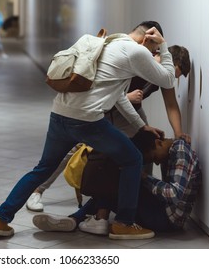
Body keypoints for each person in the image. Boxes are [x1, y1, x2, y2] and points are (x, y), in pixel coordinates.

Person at [0, 21, 175, 239]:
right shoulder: (136, 51)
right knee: (132, 159)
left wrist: (141, 126)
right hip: (87, 120)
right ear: (147, 39)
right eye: (154, 50)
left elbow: (119, 97)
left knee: (43, 168)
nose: (152, 55)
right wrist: (165, 46)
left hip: (60, 113)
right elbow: (168, 78)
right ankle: (124, 223)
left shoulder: (108, 42)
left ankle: (0, 218)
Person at [26, 44, 191, 212]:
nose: (169, 79)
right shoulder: (139, 60)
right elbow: (106, 86)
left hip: (130, 111)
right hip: (103, 106)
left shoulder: (165, 74)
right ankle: (37, 190)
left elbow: (171, 104)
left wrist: (178, 134)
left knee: (145, 144)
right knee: (74, 148)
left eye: (173, 76)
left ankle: (137, 196)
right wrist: (127, 97)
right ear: (161, 57)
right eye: (171, 72)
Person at [32, 130, 202, 238]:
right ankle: (79, 219)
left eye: (153, 158)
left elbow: (174, 194)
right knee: (119, 182)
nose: (156, 163)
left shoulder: (179, 149)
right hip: (162, 211)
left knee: (120, 182)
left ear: (158, 143)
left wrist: (143, 178)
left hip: (167, 220)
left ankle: (82, 219)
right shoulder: (171, 151)